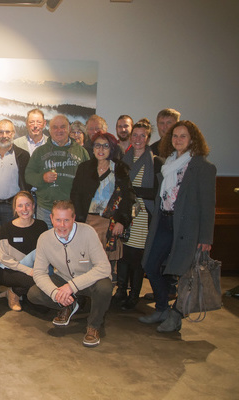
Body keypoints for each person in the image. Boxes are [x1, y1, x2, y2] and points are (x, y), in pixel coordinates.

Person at [139, 120, 216, 333]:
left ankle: (176, 314)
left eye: (183, 136)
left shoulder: (203, 167)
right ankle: (162, 308)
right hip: (164, 221)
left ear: (193, 139)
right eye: (175, 136)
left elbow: (208, 205)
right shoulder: (168, 163)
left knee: (184, 273)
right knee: (151, 265)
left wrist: (206, 238)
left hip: (187, 228)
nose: (178, 140)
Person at [27, 200, 112, 347]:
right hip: (63, 279)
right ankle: (68, 305)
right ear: (52, 219)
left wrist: (71, 287)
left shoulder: (88, 232)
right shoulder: (44, 239)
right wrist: (55, 293)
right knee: (33, 294)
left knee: (105, 287)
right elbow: (39, 273)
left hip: (90, 281)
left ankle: (94, 326)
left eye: (66, 220)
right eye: (58, 220)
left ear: (74, 218)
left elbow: (104, 267)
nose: (62, 225)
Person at [114, 120, 163, 310]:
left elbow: (155, 193)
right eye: (135, 135)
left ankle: (134, 296)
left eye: (143, 135)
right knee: (123, 256)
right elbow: (119, 190)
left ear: (149, 138)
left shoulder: (155, 162)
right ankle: (120, 292)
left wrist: (132, 191)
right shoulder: (124, 161)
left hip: (144, 216)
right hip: (126, 214)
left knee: (137, 259)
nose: (138, 139)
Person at [70, 132, 134, 273]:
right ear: (92, 148)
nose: (101, 149)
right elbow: (75, 195)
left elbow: (127, 198)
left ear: (112, 149)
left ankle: (104, 293)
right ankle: (84, 293)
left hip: (109, 224)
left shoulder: (119, 169)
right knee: (84, 263)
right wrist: (78, 220)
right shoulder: (84, 168)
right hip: (87, 222)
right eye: (97, 145)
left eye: (105, 146)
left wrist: (121, 221)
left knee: (105, 266)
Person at [25, 114, 89, 228]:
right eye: (55, 127)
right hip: (46, 209)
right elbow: (28, 175)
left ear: (69, 129)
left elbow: (90, 179)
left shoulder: (81, 152)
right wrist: (42, 178)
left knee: (70, 243)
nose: (59, 130)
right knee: (47, 242)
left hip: (72, 210)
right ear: (49, 130)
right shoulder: (40, 152)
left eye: (63, 127)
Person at [0, 191, 48, 311]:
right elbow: (4, 259)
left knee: (44, 309)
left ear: (33, 206)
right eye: (20, 205)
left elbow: (45, 252)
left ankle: (16, 291)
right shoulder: (6, 228)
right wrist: (28, 270)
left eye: (28, 205)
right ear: (15, 208)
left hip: (32, 271)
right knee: (37, 282)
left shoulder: (41, 226)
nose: (24, 209)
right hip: (7, 271)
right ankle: (14, 293)